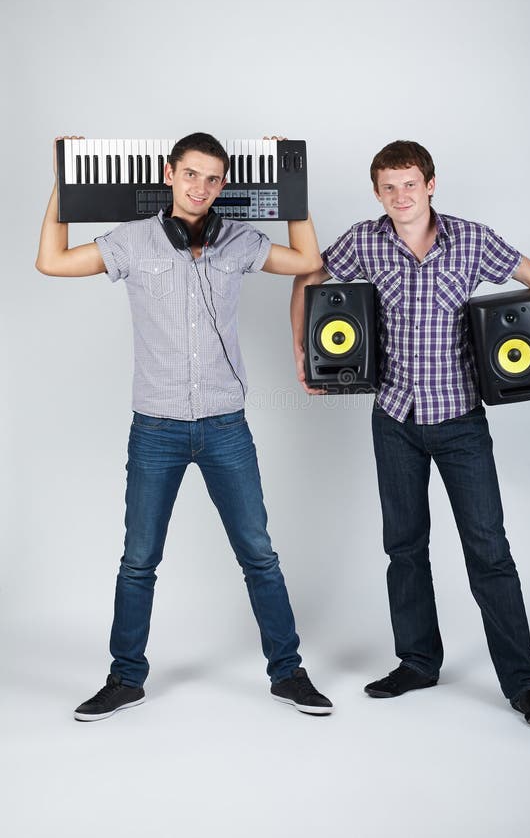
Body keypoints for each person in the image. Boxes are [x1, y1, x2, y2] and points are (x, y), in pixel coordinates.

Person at [37, 132, 333, 720]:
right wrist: (62, 186)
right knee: (139, 560)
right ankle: (125, 679)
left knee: (259, 555)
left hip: (226, 426)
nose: (201, 188)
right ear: (170, 175)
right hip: (156, 430)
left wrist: (296, 191)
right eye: (191, 175)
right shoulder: (134, 241)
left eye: (213, 179)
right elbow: (51, 261)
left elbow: (309, 262)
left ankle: (288, 674)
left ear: (223, 185)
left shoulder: (239, 241)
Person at [291, 140, 530, 728]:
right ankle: (417, 661)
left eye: (409, 184)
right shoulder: (365, 240)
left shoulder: (471, 238)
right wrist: (303, 355)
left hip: (461, 419)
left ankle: (523, 685)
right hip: (394, 419)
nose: (400, 196)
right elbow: (310, 273)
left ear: (430, 184)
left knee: (489, 551)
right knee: (404, 548)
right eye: (388, 187)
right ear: (377, 192)